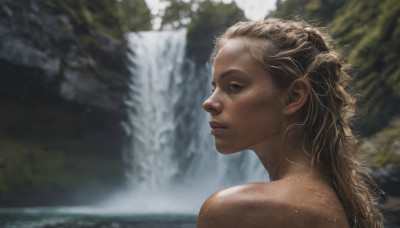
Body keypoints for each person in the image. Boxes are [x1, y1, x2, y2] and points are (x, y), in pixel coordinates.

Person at [198, 18, 383, 228]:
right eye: (214, 88)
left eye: (234, 86)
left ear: (294, 97)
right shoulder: (335, 201)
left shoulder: (232, 211)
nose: (209, 103)